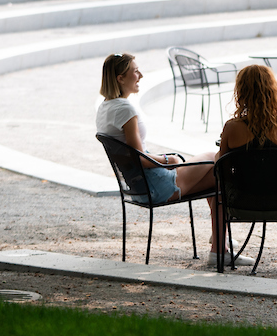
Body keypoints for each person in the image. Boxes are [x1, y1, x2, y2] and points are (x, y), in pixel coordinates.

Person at [96, 53, 225, 252]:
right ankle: (219, 244)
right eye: (135, 71)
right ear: (120, 78)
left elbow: (133, 153)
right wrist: (166, 159)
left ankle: (219, 244)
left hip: (139, 188)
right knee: (216, 159)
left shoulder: (105, 108)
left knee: (218, 177)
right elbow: (140, 158)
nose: (141, 75)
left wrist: (163, 159)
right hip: (157, 186)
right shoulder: (125, 110)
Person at [214, 64, 277, 264]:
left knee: (218, 157)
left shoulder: (231, 128)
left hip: (241, 203)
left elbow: (225, 173)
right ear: (273, 91)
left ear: (241, 92)